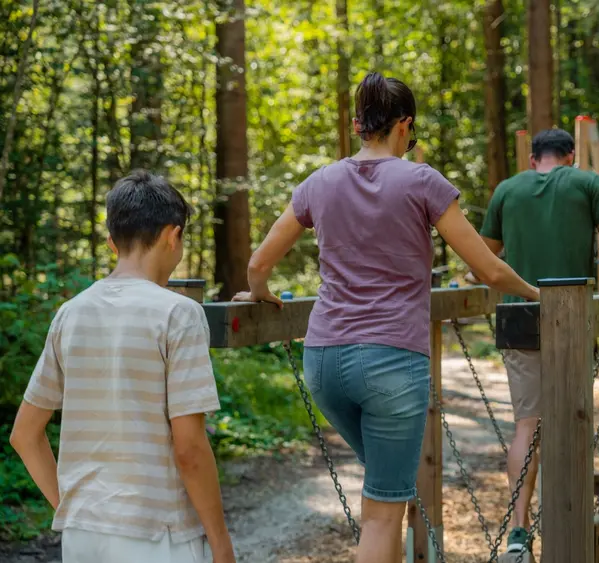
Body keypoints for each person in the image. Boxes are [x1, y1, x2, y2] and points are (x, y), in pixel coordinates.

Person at [233, 72, 538, 563]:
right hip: (392, 362)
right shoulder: (422, 181)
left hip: (324, 360)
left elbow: (258, 264)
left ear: (358, 125)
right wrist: (536, 294)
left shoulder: (319, 182)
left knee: (383, 492)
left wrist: (259, 293)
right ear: (404, 125)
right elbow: (486, 268)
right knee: (382, 514)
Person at [9, 171, 235, 563]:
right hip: (157, 534)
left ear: (112, 242)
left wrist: (73, 510)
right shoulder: (179, 314)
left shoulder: (70, 314)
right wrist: (221, 545)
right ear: (173, 236)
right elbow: (190, 449)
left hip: (82, 537)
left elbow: (24, 435)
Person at [472, 128, 599, 557]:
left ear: (532, 158)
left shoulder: (507, 190)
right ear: (571, 155)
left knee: (527, 425)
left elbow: (481, 257)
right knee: (571, 420)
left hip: (518, 318)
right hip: (572, 319)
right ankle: (568, 522)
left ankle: (519, 531)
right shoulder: (586, 182)